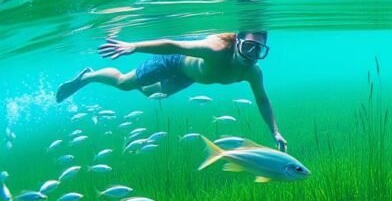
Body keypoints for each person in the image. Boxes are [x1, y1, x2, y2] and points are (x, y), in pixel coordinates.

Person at [55, 31, 288, 152]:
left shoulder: (252, 72)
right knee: (125, 83)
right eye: (248, 47)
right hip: (173, 62)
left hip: (188, 77)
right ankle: (88, 76)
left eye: (258, 51)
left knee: (153, 94)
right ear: (237, 42)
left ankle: (129, 81)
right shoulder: (215, 49)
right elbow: (173, 45)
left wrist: (275, 132)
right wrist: (134, 47)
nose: (251, 55)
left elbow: (263, 100)